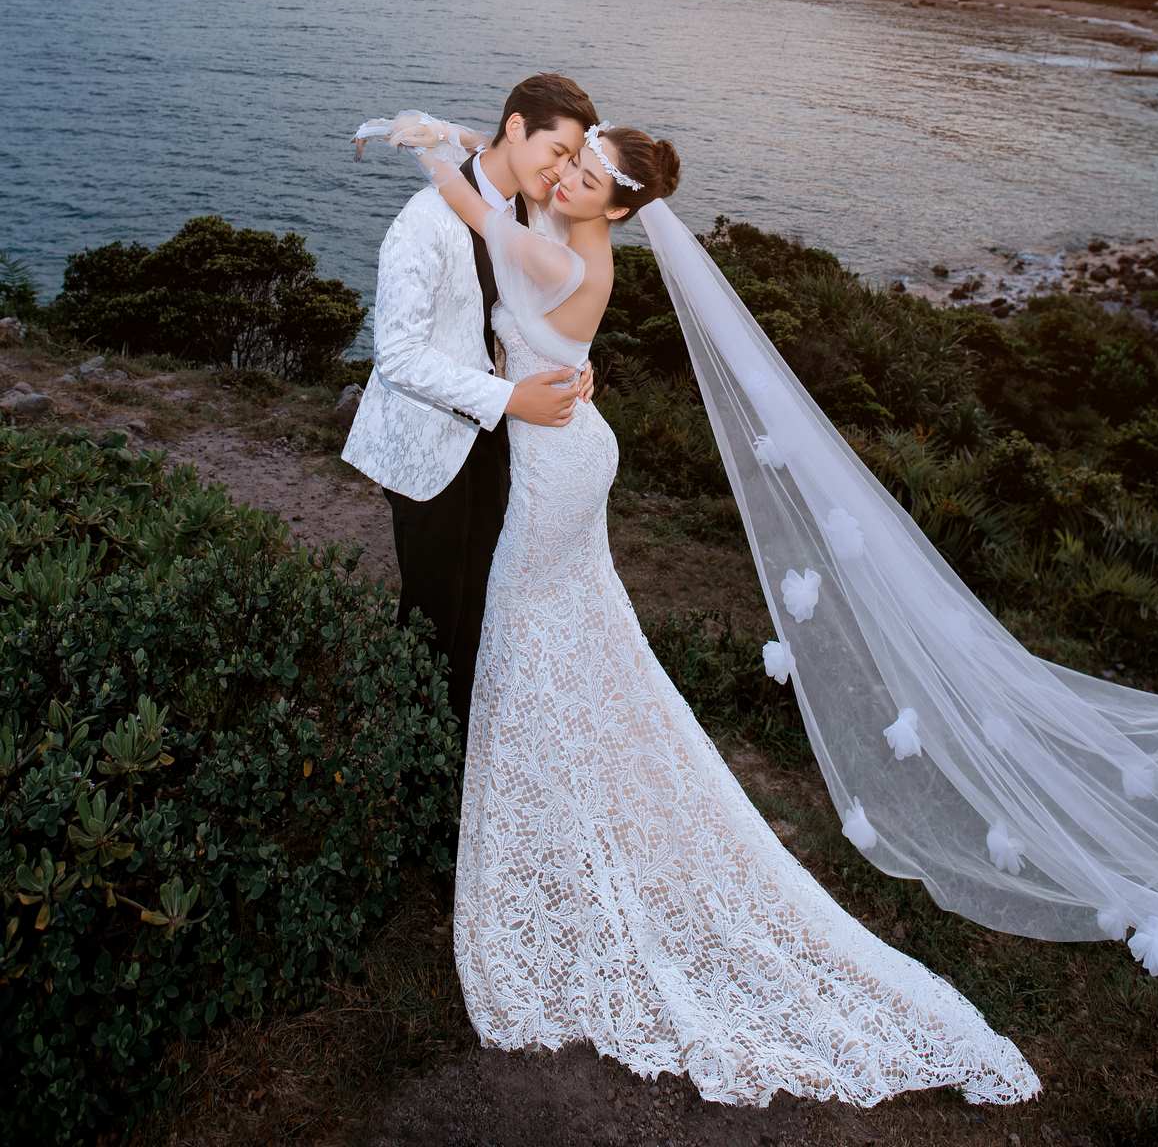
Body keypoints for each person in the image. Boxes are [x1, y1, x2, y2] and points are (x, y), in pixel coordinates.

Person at [352, 106, 1042, 1110]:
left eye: (590, 174)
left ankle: (531, 813)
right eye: (573, 158)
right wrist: (477, 137)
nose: (570, 176)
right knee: (568, 637)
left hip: (552, 468)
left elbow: (472, 204)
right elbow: (513, 185)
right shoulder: (573, 234)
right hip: (562, 442)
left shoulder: (566, 254)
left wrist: (427, 144)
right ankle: (553, 792)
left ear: (620, 209)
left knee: (524, 634)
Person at [340, 73, 598, 734]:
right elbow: (398, 358)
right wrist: (509, 397)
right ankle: (410, 757)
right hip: (426, 442)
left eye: (574, 159)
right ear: (516, 129)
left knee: (482, 602)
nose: (563, 172)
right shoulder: (423, 222)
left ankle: (459, 749)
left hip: (495, 440)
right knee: (432, 612)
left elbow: (534, 317)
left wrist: (575, 363)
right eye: (558, 151)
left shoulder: (532, 216)